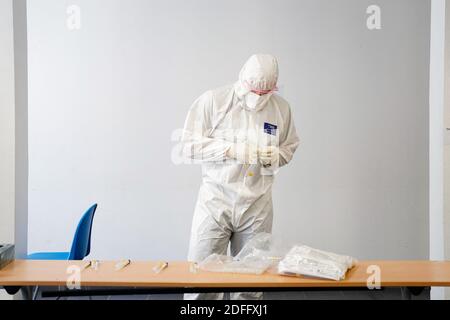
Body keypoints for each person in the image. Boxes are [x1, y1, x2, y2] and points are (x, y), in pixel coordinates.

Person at [181, 54, 300, 300]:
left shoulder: (281, 109)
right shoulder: (214, 101)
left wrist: (275, 155)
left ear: (273, 88)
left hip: (257, 206)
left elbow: (289, 148)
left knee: (250, 281)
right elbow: (188, 145)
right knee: (202, 278)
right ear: (242, 80)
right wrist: (230, 149)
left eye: (263, 93)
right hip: (216, 201)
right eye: (253, 91)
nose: (258, 98)